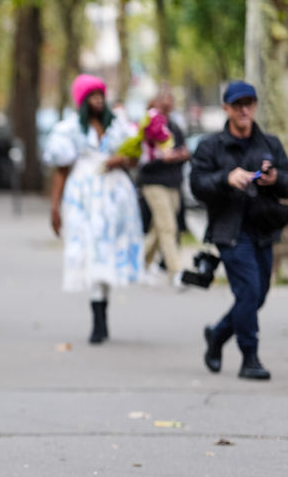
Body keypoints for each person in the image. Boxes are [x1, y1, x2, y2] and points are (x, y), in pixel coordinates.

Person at [189, 80, 288, 380]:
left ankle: (217, 335)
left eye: (249, 103)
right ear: (226, 108)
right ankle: (250, 358)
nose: (244, 109)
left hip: (263, 228)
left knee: (257, 295)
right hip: (229, 230)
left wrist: (274, 178)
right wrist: (226, 178)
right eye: (238, 105)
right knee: (248, 291)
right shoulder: (210, 146)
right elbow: (197, 185)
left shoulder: (270, 144)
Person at [44, 74, 142, 344]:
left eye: (101, 95)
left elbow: (135, 160)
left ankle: (104, 313)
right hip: (84, 199)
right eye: (92, 96)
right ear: (83, 101)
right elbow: (61, 171)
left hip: (115, 198)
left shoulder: (118, 126)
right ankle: (98, 321)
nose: (98, 100)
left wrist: (121, 160)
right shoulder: (71, 129)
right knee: (92, 252)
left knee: (108, 254)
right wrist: (55, 208)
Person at [135, 91, 191, 287]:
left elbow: (184, 150)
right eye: (164, 102)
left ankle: (139, 264)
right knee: (168, 227)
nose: (168, 105)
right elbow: (143, 155)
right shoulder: (149, 124)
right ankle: (176, 272)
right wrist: (163, 157)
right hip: (153, 181)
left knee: (159, 228)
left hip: (173, 182)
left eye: (171, 101)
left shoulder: (175, 125)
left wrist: (180, 155)